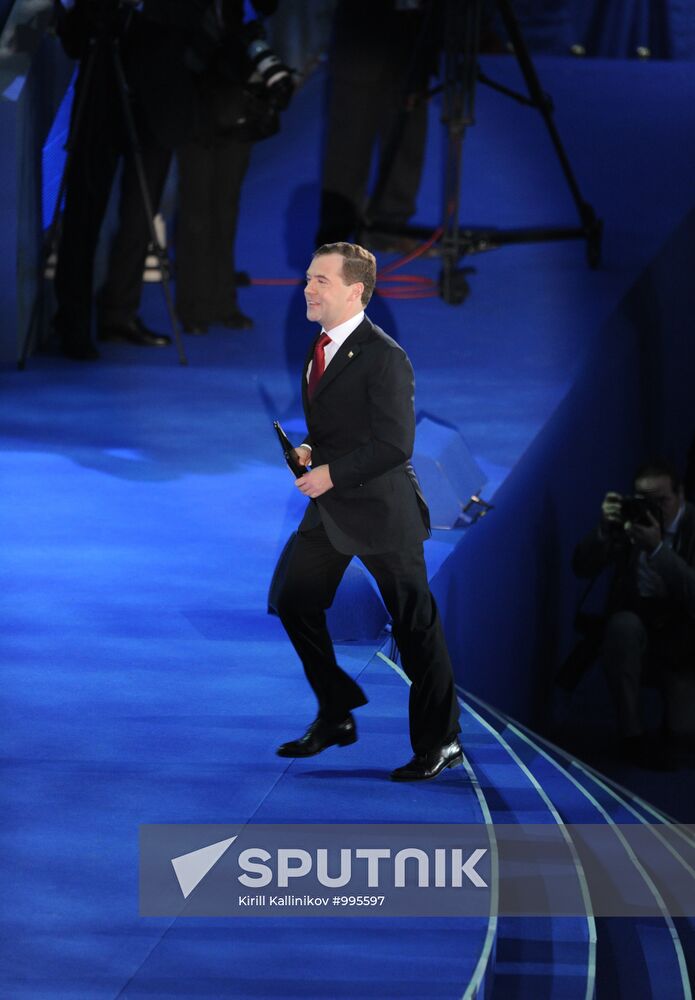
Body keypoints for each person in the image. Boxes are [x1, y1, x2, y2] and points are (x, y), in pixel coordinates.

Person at [272, 242, 462, 781]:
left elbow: (395, 444)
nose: (308, 288)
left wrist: (329, 473)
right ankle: (336, 711)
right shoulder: (321, 345)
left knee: (414, 626)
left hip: (381, 511)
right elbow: (341, 426)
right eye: (308, 278)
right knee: (294, 600)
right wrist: (310, 447)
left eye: (321, 281)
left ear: (355, 291)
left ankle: (442, 740)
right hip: (332, 509)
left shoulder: (386, 358)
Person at [53, 0, 173, 360]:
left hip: (155, 99)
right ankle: (72, 322)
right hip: (100, 99)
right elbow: (73, 40)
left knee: (138, 218)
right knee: (83, 216)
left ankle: (119, 315)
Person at [573, 460, 695, 767]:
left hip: (686, 637)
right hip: (637, 626)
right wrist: (604, 530)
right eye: (645, 501)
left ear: (680, 494)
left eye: (662, 501)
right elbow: (581, 567)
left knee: (683, 737)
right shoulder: (629, 524)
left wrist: (657, 550)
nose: (654, 509)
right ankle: (632, 734)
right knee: (621, 626)